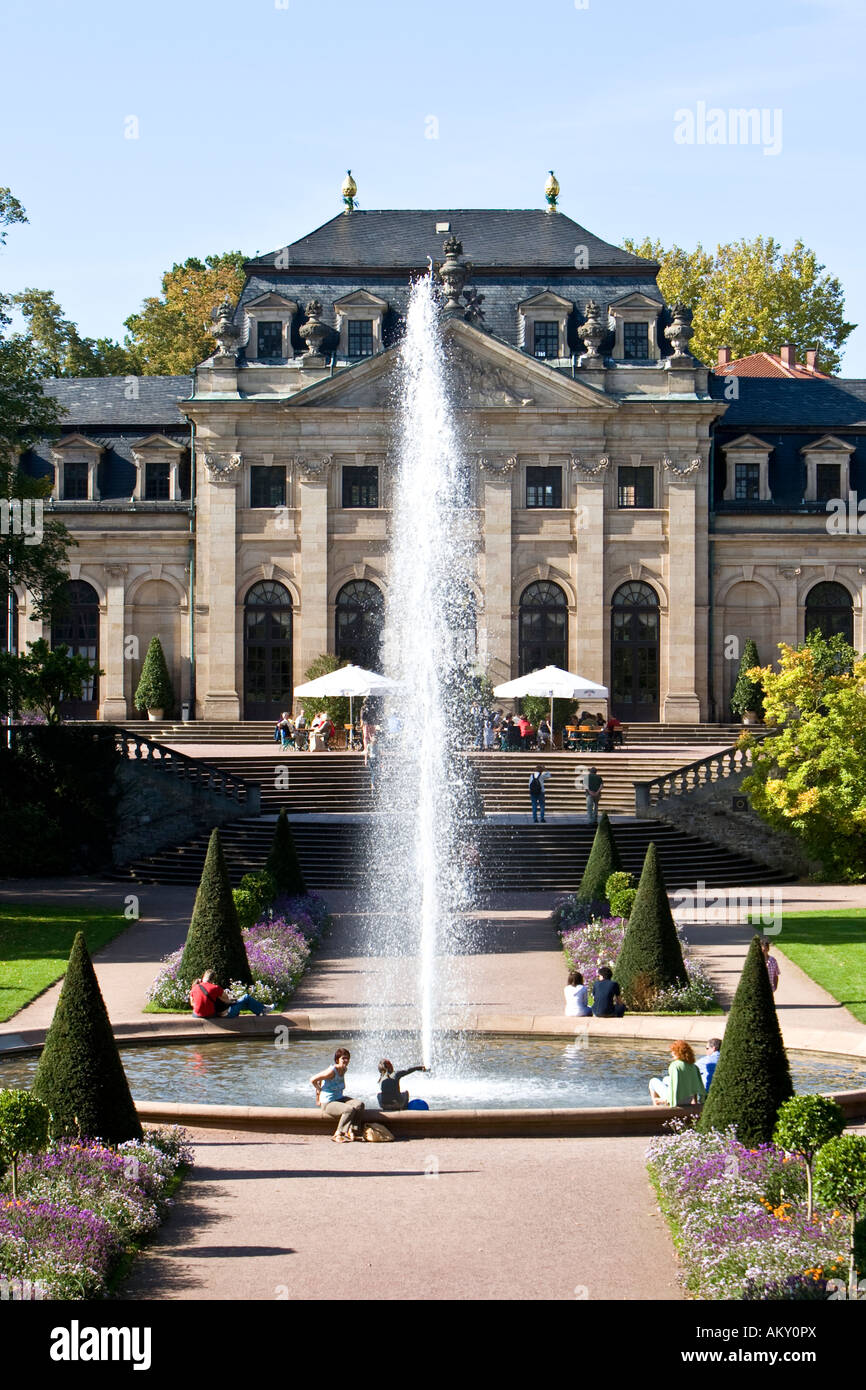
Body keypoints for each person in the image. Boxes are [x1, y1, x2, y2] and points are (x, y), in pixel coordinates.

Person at [311, 1047, 366, 1142]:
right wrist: (319, 1093)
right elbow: (314, 1079)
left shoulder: (344, 1069)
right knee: (348, 1110)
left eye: (347, 1058)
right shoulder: (332, 1071)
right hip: (328, 1102)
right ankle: (337, 1134)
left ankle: (352, 1131)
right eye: (343, 1058)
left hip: (339, 1098)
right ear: (337, 1060)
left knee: (359, 1105)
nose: (346, 1060)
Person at [190, 970, 273, 1018]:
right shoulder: (215, 988)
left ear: (203, 976)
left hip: (197, 1015)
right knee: (246, 998)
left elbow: (192, 1003)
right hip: (218, 1014)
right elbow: (228, 1001)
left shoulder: (194, 987)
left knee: (245, 1002)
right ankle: (263, 1009)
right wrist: (234, 999)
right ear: (213, 979)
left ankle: (261, 1010)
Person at [649, 1041, 707, 1108]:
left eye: (673, 1051)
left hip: (676, 1100)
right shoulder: (694, 1067)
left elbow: (675, 1085)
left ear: (678, 1052)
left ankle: (656, 1107)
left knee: (653, 1081)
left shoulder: (675, 1065)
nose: (671, 1053)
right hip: (688, 1100)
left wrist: (670, 1101)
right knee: (665, 1079)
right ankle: (662, 1101)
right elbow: (696, 1085)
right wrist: (695, 1102)